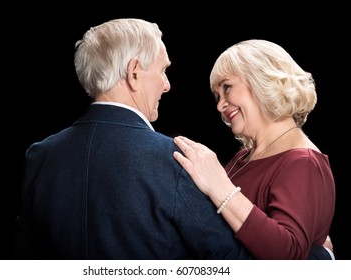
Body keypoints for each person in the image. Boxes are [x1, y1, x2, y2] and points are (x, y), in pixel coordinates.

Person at [13, 18, 252, 259]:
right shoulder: (177, 160)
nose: (167, 85)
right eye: (163, 70)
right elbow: (233, 263)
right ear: (134, 72)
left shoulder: (41, 156)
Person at [173, 39, 336, 260]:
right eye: (216, 95)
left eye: (227, 87)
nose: (220, 105)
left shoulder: (302, 161)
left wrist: (219, 187)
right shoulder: (243, 156)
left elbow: (288, 255)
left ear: (262, 79)